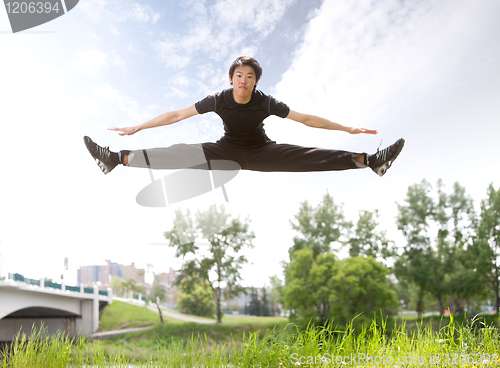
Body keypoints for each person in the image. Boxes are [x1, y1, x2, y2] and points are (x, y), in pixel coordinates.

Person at [84, 56, 404, 177]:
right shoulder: (219, 100)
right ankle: (116, 159)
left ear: (255, 81)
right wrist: (139, 126)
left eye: (249, 76)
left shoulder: (265, 103)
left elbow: (305, 119)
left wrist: (347, 128)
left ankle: (370, 161)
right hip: (225, 150)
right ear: (231, 78)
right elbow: (178, 114)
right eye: (239, 74)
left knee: (307, 157)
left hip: (261, 151)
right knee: (180, 152)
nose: (243, 80)